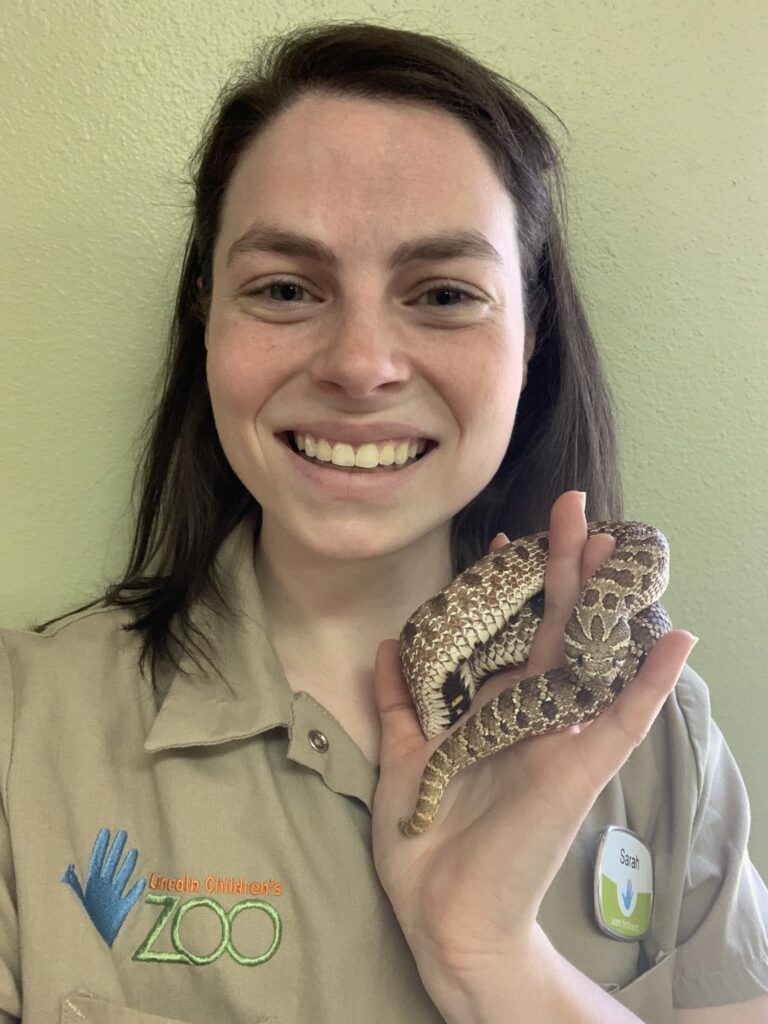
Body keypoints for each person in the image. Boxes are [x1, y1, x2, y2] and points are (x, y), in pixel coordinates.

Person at [1, 20, 766, 1024]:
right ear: (206, 315)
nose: (360, 367)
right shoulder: (24, 732)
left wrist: (495, 960)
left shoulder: (659, 734)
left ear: (531, 336)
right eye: (284, 288)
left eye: (445, 293)